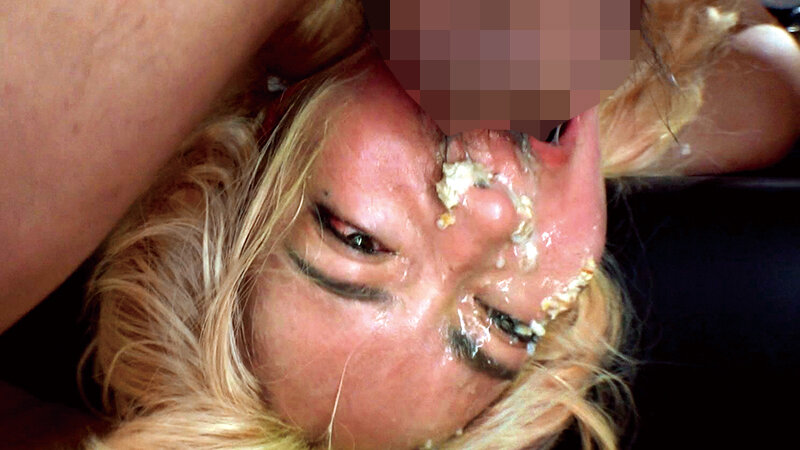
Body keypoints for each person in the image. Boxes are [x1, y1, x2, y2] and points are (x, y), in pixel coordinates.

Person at [1, 0, 797, 448]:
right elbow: (769, 68)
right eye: (502, 320)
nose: (492, 215)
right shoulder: (614, 106)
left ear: (269, 117)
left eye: (358, 240)